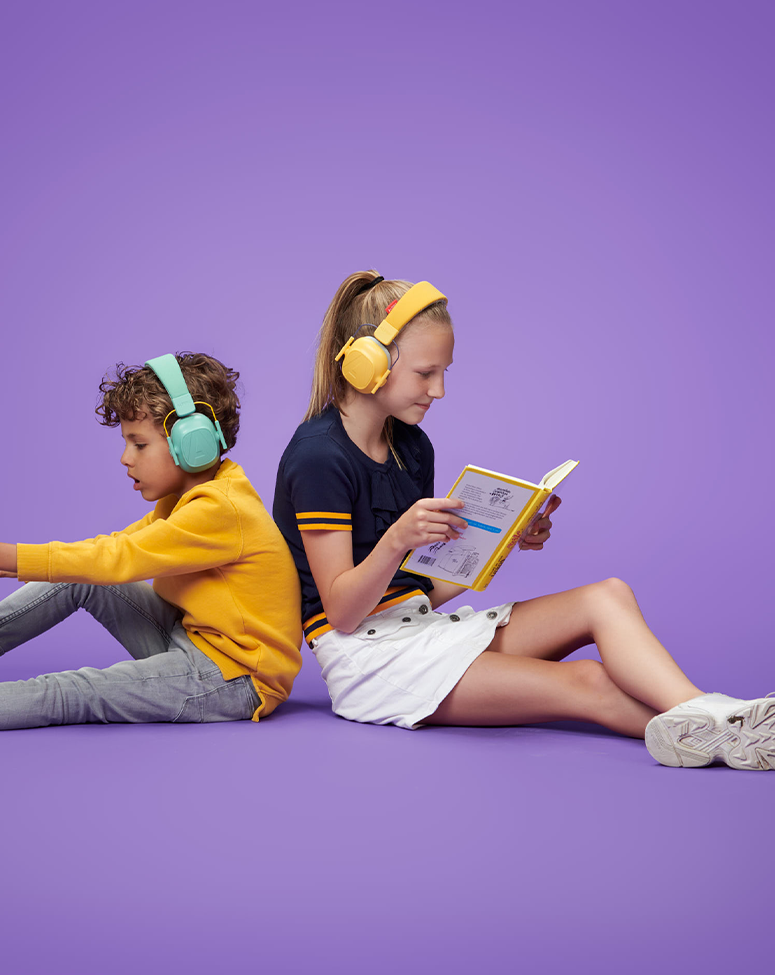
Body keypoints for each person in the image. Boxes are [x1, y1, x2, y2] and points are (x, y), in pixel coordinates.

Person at [272, 271, 775, 769]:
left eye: (445, 372)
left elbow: (420, 588)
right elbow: (341, 613)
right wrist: (396, 539)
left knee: (608, 595)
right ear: (368, 366)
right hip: (370, 661)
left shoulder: (411, 445)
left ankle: (712, 718)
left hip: (420, 627)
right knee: (589, 682)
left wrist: (503, 538)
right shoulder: (319, 457)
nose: (440, 390)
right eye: (426, 373)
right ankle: (725, 728)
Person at [0, 352, 303, 737]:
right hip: (194, 641)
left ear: (190, 443)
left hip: (232, 681)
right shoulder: (191, 497)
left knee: (75, 691)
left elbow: (119, 560)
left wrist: (4, 555)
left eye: (139, 443)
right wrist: (20, 564)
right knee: (75, 578)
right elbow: (109, 549)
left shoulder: (221, 509)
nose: (125, 458)